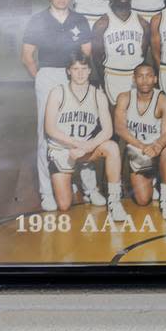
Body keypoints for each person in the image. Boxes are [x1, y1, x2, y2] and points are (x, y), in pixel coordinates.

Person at [20, 0, 96, 211]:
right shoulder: (38, 20)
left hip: (74, 75)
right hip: (49, 75)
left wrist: (78, 78)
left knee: (79, 129)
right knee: (46, 135)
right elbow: (27, 56)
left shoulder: (79, 20)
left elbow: (86, 54)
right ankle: (46, 192)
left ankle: (88, 187)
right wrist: (42, 79)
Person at [42, 53, 128, 221]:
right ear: (68, 71)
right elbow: (50, 128)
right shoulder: (57, 92)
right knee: (64, 205)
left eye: (83, 69)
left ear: (89, 71)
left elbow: (108, 131)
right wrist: (76, 144)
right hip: (62, 149)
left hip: (85, 149)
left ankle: (114, 201)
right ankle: (80, 181)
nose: (80, 73)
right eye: (75, 69)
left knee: (112, 147)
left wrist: (86, 147)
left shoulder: (98, 95)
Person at [114, 63, 166, 220]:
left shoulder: (164, 101)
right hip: (137, 149)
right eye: (140, 76)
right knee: (143, 200)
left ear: (155, 79)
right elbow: (120, 129)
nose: (144, 80)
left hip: (158, 148)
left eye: (149, 76)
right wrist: (143, 147)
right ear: (134, 78)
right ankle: (156, 178)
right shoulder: (124, 98)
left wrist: (156, 146)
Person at [91, 0, 149, 105]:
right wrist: (103, 80)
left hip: (136, 76)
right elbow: (96, 58)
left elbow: (143, 55)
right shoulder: (102, 24)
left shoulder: (142, 23)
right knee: (115, 116)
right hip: (113, 75)